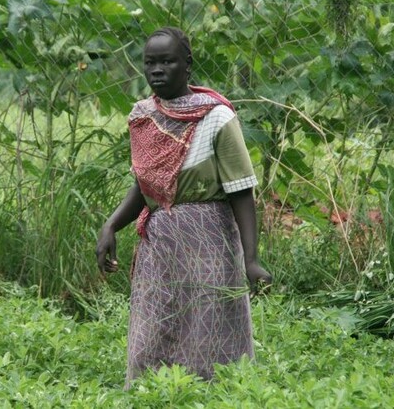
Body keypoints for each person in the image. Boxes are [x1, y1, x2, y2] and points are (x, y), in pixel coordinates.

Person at [96, 27, 272, 387]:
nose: (157, 70)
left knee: (210, 321)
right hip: (160, 243)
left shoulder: (217, 117)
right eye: (150, 63)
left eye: (167, 61)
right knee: (155, 320)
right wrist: (111, 226)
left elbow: (241, 191)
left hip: (210, 240)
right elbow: (145, 188)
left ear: (187, 65)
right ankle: (151, 391)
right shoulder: (143, 115)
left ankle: (213, 392)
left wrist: (250, 259)